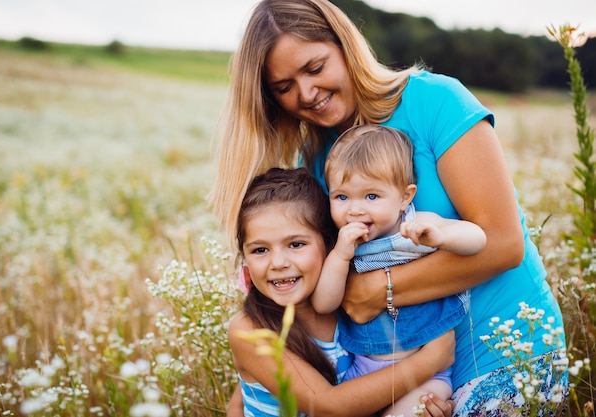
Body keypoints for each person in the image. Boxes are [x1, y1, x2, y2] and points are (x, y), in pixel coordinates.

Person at [210, 0, 568, 413]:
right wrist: (244, 395)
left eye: (315, 68)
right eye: (284, 87)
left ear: (345, 46)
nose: (306, 93)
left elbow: (505, 245)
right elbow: (300, 301)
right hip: (400, 380)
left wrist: (377, 292)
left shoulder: (436, 102)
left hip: (509, 354)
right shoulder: (314, 161)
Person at [227, 167, 455, 417]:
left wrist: (420, 404)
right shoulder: (250, 329)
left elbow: (369, 393)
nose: (278, 262)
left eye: (296, 244)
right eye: (260, 250)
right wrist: (430, 360)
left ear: (329, 244)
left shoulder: (350, 305)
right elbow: (329, 407)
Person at [311, 124, 486, 417]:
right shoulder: (340, 245)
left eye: (371, 197)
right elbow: (324, 303)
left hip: (427, 374)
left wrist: (442, 237)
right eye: (342, 197)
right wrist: (340, 256)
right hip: (364, 369)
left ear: (405, 198)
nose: (354, 210)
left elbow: (478, 239)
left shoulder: (418, 225)